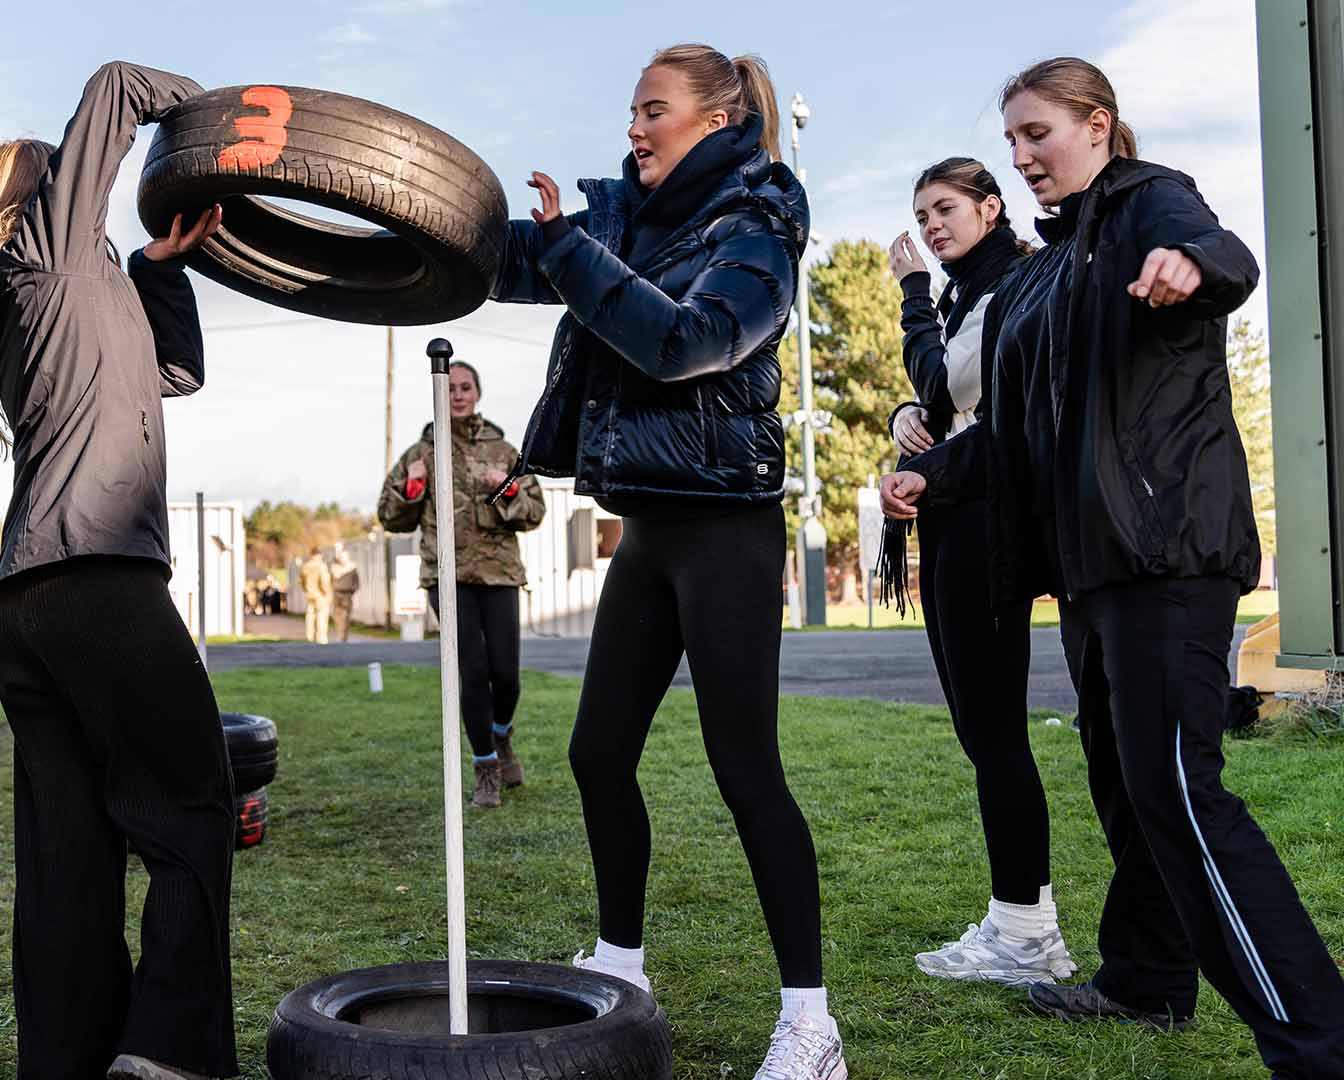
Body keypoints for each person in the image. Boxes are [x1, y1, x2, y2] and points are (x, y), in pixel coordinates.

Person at [883, 57, 1344, 1076]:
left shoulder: (1143, 202)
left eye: (1038, 133)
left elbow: (1221, 254)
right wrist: (932, 478)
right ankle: (1145, 981)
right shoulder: (1047, 272)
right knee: (1126, 786)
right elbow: (1010, 432)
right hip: (1093, 571)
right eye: (1012, 140)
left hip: (1168, 550)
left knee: (1179, 791)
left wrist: (1193, 269)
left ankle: (1319, 1039)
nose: (1024, 155)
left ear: (1098, 125)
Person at [490, 43, 845, 1079]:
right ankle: (620, 965)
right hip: (646, 529)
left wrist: (571, 253)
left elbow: (689, 342)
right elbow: (491, 255)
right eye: (632, 111)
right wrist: (325, 223)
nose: (634, 128)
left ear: (720, 116)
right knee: (598, 755)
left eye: (654, 109)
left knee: (746, 771)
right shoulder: (622, 220)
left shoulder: (761, 225)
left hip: (726, 529)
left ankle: (812, 1025)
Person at [0, 61, 237, 1080]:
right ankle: (165, 1052)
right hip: (100, 578)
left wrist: (159, 263)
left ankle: (69, 1061)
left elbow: (175, 374)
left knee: (72, 855)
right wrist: (232, 119)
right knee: (193, 810)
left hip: (31, 605)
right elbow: (118, 83)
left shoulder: (65, 291)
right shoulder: (46, 257)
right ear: (50, 195)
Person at [878, 159, 1074, 987]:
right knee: (979, 729)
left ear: (992, 208)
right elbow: (939, 401)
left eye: (946, 208)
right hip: (957, 516)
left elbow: (951, 385)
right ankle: (1018, 921)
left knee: (992, 729)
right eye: (922, 213)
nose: (931, 225)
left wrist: (911, 295)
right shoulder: (971, 294)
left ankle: (1028, 932)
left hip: (989, 522)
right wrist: (903, 419)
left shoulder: (1014, 284)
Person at [377, 359, 544, 808]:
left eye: (465, 387)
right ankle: (485, 766)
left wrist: (506, 488)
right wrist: (411, 490)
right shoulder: (421, 453)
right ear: (438, 393)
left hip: (499, 571)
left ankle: (502, 736)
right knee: (470, 672)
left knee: (505, 674)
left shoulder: (504, 449)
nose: (457, 394)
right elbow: (389, 518)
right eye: (450, 388)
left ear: (477, 393)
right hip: (447, 576)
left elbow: (534, 512)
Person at [329, 543, 361, 642]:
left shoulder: (352, 568)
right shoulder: (334, 567)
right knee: (336, 615)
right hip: (336, 593)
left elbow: (356, 582)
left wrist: (353, 591)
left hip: (347, 594)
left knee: (345, 616)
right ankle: (340, 633)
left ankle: (343, 636)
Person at [300, 549, 333, 644]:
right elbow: (324, 582)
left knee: (310, 616)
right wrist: (328, 593)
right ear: (318, 556)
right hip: (320, 595)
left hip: (310, 594)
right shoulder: (321, 566)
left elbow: (301, 581)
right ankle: (321, 638)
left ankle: (309, 637)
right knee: (321, 617)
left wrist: (306, 590)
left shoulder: (305, 566)